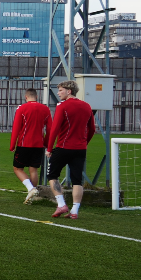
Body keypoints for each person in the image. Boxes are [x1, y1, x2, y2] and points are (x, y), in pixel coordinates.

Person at [46, 80, 96, 220]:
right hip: (80, 149)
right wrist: (84, 143)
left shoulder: (62, 106)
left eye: (60, 90)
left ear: (69, 91)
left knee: (52, 175)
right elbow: (92, 129)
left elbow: (54, 129)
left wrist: (49, 148)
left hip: (63, 147)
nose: (58, 93)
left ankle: (61, 204)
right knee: (77, 180)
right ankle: (74, 210)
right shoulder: (87, 106)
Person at [10, 88, 51, 203]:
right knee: (33, 170)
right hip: (38, 144)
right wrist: (46, 143)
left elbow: (16, 128)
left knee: (18, 168)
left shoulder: (22, 108)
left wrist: (12, 144)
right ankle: (32, 195)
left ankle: (31, 189)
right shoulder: (45, 109)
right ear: (37, 97)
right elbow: (49, 129)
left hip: (24, 143)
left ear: (26, 97)